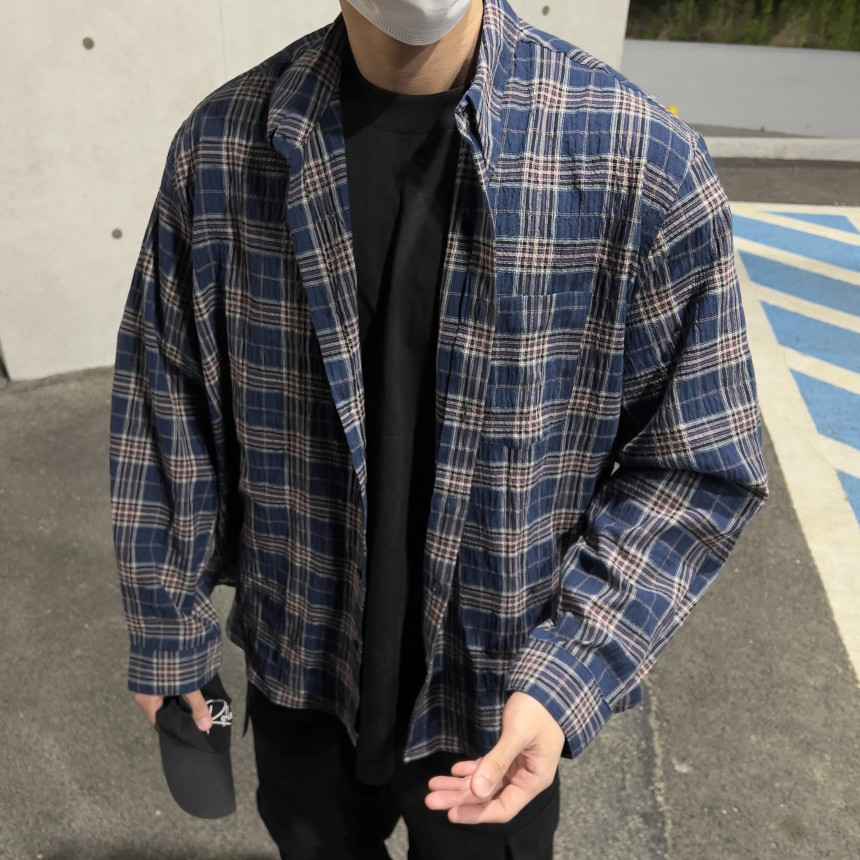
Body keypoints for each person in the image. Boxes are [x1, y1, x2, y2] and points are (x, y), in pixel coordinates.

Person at [110, 0, 768, 857]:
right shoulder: (226, 146)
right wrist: (167, 626)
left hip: (499, 698)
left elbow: (696, 461)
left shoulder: (638, 158)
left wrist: (578, 666)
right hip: (301, 665)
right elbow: (166, 405)